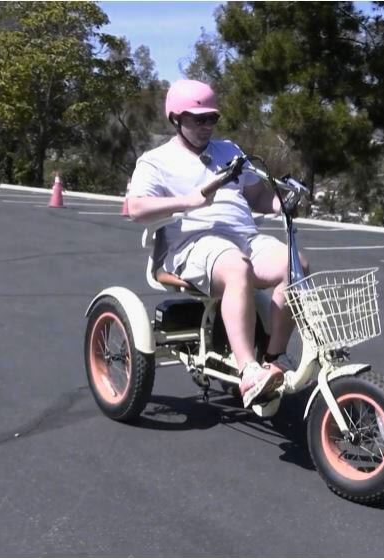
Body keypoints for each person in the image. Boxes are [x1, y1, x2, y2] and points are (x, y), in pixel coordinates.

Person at [128, 79, 309, 409]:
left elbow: (256, 196)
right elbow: (136, 208)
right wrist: (188, 200)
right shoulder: (156, 161)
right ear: (176, 119)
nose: (206, 126)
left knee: (295, 264)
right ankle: (248, 372)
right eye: (198, 119)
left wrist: (282, 203)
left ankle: (274, 359)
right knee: (237, 267)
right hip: (192, 245)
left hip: (245, 238)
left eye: (212, 118)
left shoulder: (230, 150)